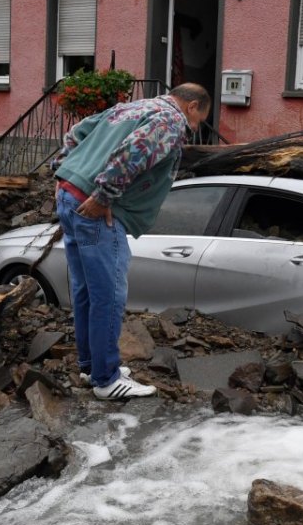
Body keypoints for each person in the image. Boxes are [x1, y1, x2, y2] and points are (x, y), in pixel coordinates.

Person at [51, 82, 211, 400]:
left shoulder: (131, 107)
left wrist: (61, 173)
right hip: (96, 210)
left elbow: (76, 133)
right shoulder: (171, 119)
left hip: (70, 198)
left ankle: (91, 366)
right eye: (198, 121)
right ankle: (107, 380)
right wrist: (104, 196)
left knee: (86, 290)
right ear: (192, 106)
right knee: (108, 295)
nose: (194, 128)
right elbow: (134, 152)